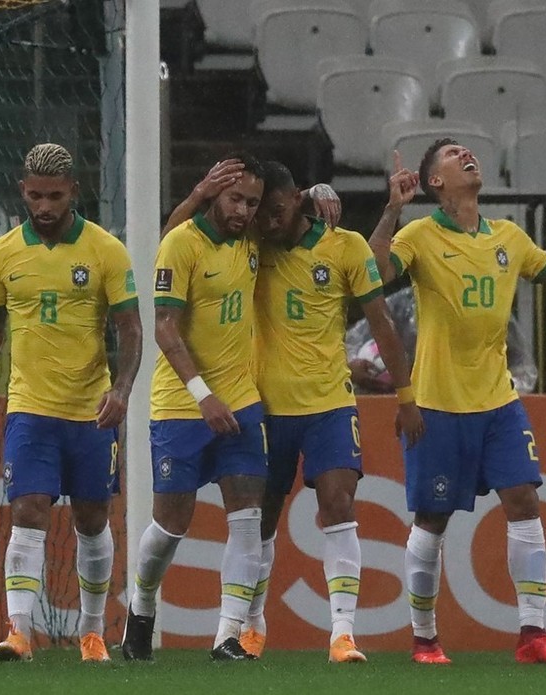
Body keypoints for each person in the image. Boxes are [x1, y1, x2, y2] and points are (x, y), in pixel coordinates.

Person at [162, 160, 425, 662]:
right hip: (264, 407)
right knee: (259, 523)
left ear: (298, 203)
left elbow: (382, 320)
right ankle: (252, 625)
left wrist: (406, 396)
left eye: (277, 211)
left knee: (339, 504)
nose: (268, 221)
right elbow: (174, 240)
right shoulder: (251, 245)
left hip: (329, 404)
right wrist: (198, 194)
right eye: (263, 212)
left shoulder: (344, 246)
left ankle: (343, 634)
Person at [368, 143, 546, 664]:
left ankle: (533, 634)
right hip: (438, 403)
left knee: (525, 501)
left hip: (499, 400)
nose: (466, 154)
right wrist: (393, 210)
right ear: (434, 182)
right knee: (433, 519)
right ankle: (424, 638)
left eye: (466, 150)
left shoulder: (507, 236)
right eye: (451, 153)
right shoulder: (419, 235)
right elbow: (373, 271)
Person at [0, 143, 142, 662]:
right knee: (28, 510)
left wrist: (122, 390)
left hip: (90, 410)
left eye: (55, 196)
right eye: (36, 195)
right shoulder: (2, 255)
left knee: (91, 520)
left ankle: (90, 631)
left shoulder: (106, 251)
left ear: (73, 193)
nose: (44, 207)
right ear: (22, 190)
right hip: (29, 409)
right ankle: (19, 631)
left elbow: (130, 329)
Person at [121, 152, 268, 662]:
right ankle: (140, 607)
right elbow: (164, 327)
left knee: (248, 517)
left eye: (252, 201)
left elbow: (293, 216)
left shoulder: (251, 241)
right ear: (213, 195)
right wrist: (204, 396)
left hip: (243, 402)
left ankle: (227, 635)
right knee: (170, 526)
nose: (244, 210)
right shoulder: (182, 243)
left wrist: (319, 197)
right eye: (235, 198)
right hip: (183, 406)